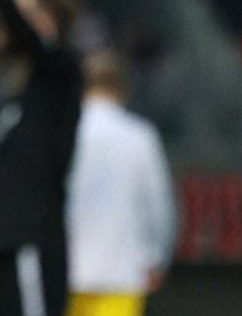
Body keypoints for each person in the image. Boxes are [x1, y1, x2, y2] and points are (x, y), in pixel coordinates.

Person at [0, 0, 86, 316]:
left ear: (46, 22)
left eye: (23, 13)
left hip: (28, 242)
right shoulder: (15, 98)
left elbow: (32, 40)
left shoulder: (61, 76)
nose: (5, 23)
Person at [66, 51, 175, 316]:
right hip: (122, 271)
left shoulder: (65, 131)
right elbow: (158, 204)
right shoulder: (140, 137)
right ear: (123, 87)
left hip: (67, 269)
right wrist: (158, 257)